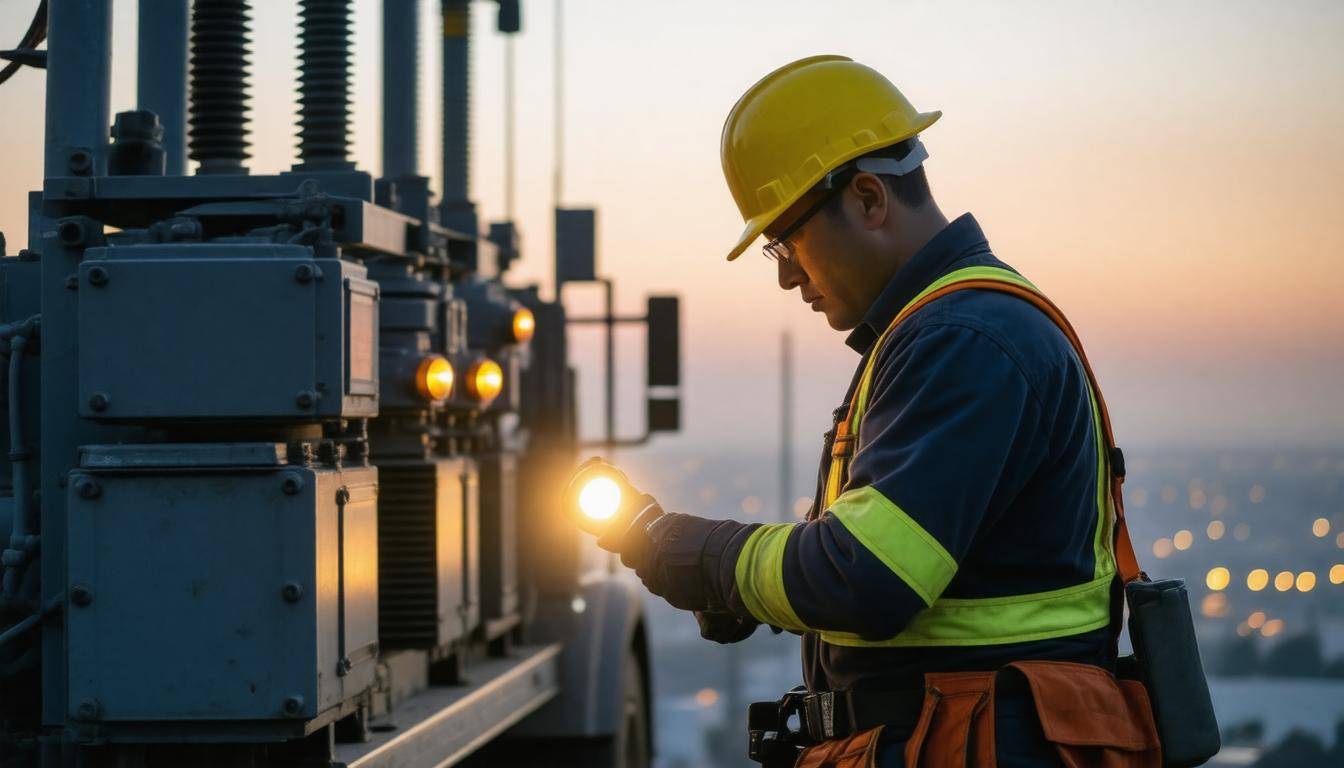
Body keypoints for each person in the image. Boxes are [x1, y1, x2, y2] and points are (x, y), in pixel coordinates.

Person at [583, 56, 1160, 767]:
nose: (787, 275)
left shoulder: (961, 340)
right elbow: (905, 570)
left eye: (787, 240)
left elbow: (868, 576)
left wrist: (695, 554)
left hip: (979, 743)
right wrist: (752, 595)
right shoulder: (947, 333)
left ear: (867, 198)